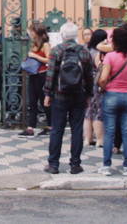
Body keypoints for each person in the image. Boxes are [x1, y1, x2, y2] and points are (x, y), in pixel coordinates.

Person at [42, 22, 94, 174]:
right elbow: (89, 76)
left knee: (57, 129)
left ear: (62, 35)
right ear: (76, 36)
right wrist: (89, 95)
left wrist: (47, 94)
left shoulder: (56, 50)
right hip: (79, 95)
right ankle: (75, 165)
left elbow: (50, 75)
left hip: (60, 95)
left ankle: (53, 165)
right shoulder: (84, 52)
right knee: (77, 129)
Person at [97, 24, 127, 176]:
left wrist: (103, 87)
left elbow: (103, 78)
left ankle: (106, 166)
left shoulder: (110, 57)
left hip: (111, 95)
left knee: (110, 132)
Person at [20, 22, 52, 137]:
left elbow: (49, 60)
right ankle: (30, 127)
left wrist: (35, 56)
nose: (30, 33)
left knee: (45, 102)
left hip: (42, 76)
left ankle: (50, 126)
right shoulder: (34, 44)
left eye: (32, 31)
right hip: (33, 75)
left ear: (37, 32)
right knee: (32, 102)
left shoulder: (45, 45)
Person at [83, 29, 108, 148]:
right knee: (98, 111)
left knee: (88, 111)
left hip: (85, 82)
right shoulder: (99, 52)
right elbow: (101, 69)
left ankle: (87, 139)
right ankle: (100, 140)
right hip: (96, 83)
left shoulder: (85, 49)